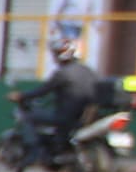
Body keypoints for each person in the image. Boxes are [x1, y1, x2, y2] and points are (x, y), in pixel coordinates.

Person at [12, 34, 117, 163]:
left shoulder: (62, 74)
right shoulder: (88, 70)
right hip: (85, 116)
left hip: (65, 116)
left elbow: (42, 91)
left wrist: (21, 95)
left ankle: (33, 154)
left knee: (28, 117)